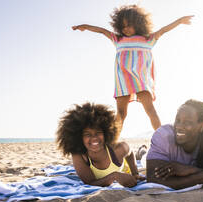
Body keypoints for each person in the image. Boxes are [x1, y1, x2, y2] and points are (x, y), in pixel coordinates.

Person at [72, 4, 194, 133]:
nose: (126, 29)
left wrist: (180, 21)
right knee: (121, 113)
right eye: (123, 26)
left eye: (129, 25)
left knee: (150, 110)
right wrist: (85, 27)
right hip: (123, 80)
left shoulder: (148, 39)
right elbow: (102, 30)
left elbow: (163, 30)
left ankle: (162, 137)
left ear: (138, 23)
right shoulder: (118, 39)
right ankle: (114, 140)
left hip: (141, 79)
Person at [56, 102, 145, 187]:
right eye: (87, 134)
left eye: (98, 133)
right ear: (79, 137)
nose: (94, 138)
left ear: (106, 133)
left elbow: (129, 152)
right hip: (117, 174)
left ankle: (142, 150)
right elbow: (90, 182)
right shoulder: (79, 155)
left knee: (142, 155)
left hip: (124, 168)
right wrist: (115, 176)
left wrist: (135, 173)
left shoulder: (117, 150)